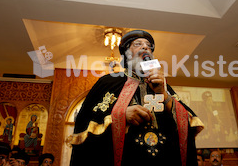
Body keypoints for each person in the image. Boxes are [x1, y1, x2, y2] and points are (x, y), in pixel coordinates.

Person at [68, 30, 204, 166]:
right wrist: (120, 115)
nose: (145, 47)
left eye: (149, 46)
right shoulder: (108, 82)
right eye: (138, 44)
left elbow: (189, 124)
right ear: (126, 53)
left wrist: (163, 93)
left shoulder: (163, 86)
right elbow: (84, 125)